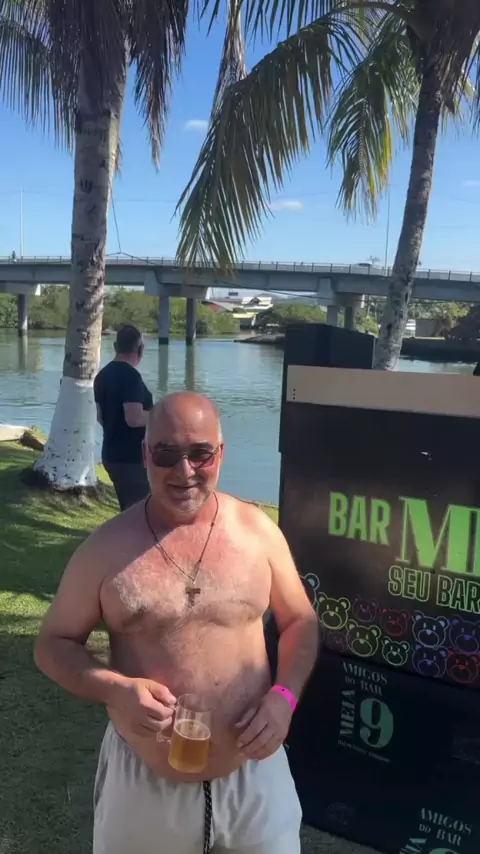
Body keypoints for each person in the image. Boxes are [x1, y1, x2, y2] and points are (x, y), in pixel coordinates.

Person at [34, 391, 319, 854]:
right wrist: (115, 689)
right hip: (145, 786)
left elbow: (300, 621)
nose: (184, 471)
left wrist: (283, 699)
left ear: (220, 454)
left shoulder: (258, 533)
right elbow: (53, 643)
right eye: (166, 453)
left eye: (199, 453)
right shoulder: (106, 549)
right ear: (146, 454)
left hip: (253, 777)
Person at [94, 324, 153, 511]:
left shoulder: (102, 375)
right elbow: (133, 418)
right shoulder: (131, 377)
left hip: (111, 454)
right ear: (140, 349)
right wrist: (160, 415)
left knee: (128, 509)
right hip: (132, 459)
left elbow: (99, 417)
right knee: (141, 513)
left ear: (115, 346)